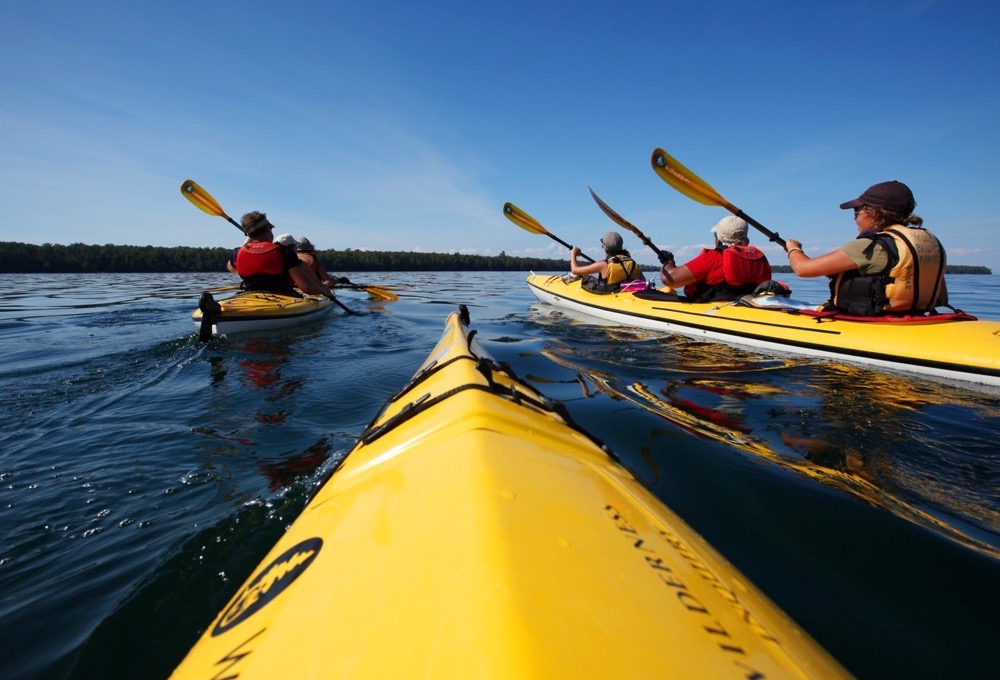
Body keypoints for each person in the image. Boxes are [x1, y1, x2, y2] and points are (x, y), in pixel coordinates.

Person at [784, 180, 947, 316]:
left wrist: (794, 249)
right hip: (918, 320)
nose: (855, 218)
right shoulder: (928, 245)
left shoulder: (869, 245)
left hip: (876, 322)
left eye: (857, 211)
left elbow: (803, 269)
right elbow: (941, 298)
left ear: (874, 213)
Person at [227, 212, 339, 301]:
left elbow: (231, 268)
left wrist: (247, 243)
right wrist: (324, 290)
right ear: (267, 229)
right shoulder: (284, 252)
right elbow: (307, 288)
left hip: (249, 298)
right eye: (270, 228)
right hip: (283, 299)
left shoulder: (237, 252)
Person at [658, 216, 772, 301]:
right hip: (744, 307)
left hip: (714, 311)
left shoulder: (713, 258)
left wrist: (668, 261)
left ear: (718, 240)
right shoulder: (758, 259)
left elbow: (669, 279)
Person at [569, 231, 644, 293]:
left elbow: (575, 270)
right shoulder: (632, 262)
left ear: (604, 247)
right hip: (627, 296)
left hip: (610, 295)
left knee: (587, 278)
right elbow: (643, 281)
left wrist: (573, 254)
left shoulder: (603, 264)